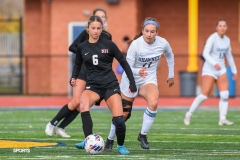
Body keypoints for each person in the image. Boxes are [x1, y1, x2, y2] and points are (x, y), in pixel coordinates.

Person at [104, 17, 175, 151]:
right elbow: (127, 66)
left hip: (148, 80)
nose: (149, 34)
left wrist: (171, 75)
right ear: (142, 31)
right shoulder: (136, 45)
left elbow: (170, 56)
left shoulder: (163, 43)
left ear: (157, 33)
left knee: (153, 102)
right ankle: (110, 139)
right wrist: (138, 71)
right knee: (123, 115)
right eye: (147, 31)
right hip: (130, 79)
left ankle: (142, 135)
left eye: (152, 31)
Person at [73, 15, 137, 155]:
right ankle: (88, 140)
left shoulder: (109, 45)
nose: (96, 31)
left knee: (119, 120)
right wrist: (73, 77)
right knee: (82, 104)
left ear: (102, 29)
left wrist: (132, 82)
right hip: (93, 86)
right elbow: (77, 65)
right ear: (87, 29)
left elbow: (124, 63)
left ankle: (120, 145)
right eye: (93, 28)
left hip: (110, 85)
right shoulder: (82, 47)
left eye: (99, 28)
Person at [45, 8, 111, 138]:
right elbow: (72, 47)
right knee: (76, 102)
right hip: (83, 71)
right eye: (98, 16)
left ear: (105, 20)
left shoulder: (107, 36)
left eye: (103, 17)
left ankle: (61, 127)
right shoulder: (87, 33)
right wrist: (85, 53)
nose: (100, 19)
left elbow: (107, 56)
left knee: (82, 105)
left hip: (96, 75)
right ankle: (52, 124)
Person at [184, 18, 237, 126]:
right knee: (205, 95)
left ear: (227, 28)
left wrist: (234, 70)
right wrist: (213, 63)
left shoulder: (227, 40)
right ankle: (189, 114)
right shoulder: (212, 38)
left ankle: (222, 119)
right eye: (220, 26)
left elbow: (229, 56)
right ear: (217, 27)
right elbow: (205, 53)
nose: (222, 28)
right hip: (209, 69)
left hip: (221, 69)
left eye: (224, 26)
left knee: (225, 93)